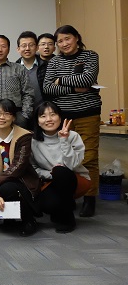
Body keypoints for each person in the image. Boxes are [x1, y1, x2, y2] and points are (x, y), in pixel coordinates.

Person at [42, 25, 101, 217]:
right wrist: (75, 88)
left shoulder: (90, 56)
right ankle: (71, 194)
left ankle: (90, 198)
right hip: (64, 116)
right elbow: (47, 88)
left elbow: (87, 79)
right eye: (60, 41)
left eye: (67, 38)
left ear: (76, 38)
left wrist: (60, 81)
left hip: (88, 113)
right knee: (65, 157)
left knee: (89, 156)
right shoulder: (54, 61)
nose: (64, 43)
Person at [0, 99, 41, 237]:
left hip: (23, 182)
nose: (1, 117)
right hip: (0, 184)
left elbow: (18, 167)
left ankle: (29, 219)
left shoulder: (24, 135)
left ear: (14, 117)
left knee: (7, 187)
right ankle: (10, 219)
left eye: (7, 114)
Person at [31, 101, 91, 233]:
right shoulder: (33, 141)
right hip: (50, 180)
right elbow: (33, 168)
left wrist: (64, 140)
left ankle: (67, 218)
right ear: (38, 121)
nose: (49, 119)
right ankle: (62, 207)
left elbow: (72, 165)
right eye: (43, 116)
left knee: (61, 172)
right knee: (45, 205)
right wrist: (51, 174)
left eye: (53, 114)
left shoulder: (73, 136)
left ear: (60, 117)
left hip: (76, 179)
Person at [0, 35, 34, 128]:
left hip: (16, 116)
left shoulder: (19, 69)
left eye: (3, 46)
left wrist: (24, 116)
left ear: (9, 49)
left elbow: (28, 93)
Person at [15, 31, 47, 106]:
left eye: (31, 45)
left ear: (37, 47)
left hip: (44, 109)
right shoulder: (14, 69)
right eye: (24, 46)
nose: (27, 48)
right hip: (22, 109)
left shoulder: (46, 66)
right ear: (18, 49)